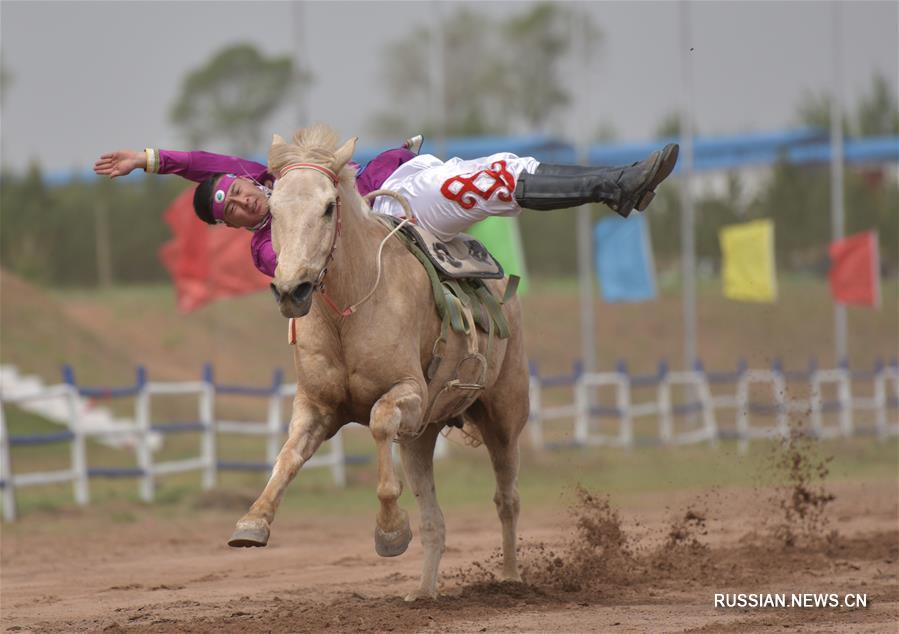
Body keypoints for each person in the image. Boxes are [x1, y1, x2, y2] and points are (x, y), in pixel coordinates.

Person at [94, 135, 678, 278]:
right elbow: (294, 273)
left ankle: (618, 185)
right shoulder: (270, 246)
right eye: (234, 208)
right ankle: (618, 187)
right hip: (394, 239)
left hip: (400, 187)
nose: (244, 198)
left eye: (236, 188)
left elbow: (198, 160)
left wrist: (147, 158)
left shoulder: (271, 173)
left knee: (500, 169)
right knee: (475, 186)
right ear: (234, 224)